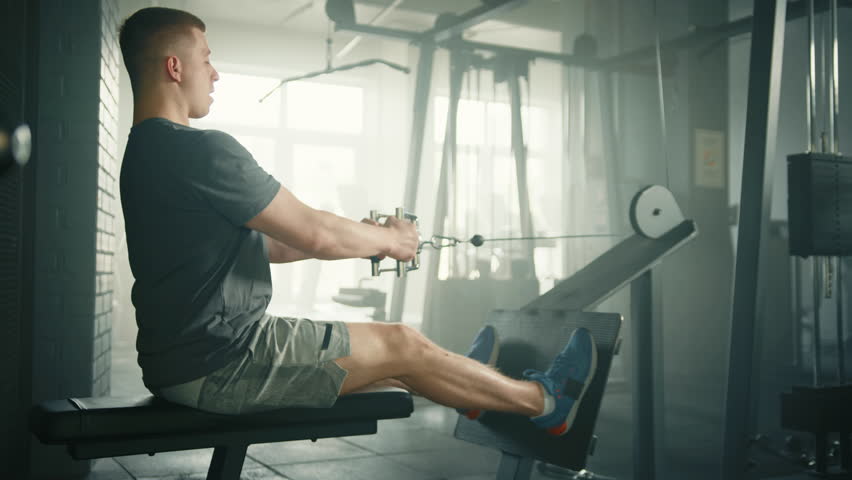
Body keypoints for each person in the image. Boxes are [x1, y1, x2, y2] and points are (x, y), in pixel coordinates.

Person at [117, 6, 597, 436]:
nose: (215, 73)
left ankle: (468, 389)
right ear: (174, 67)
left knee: (394, 366)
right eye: (205, 58)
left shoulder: (143, 155)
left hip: (176, 364)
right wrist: (391, 241)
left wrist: (371, 238)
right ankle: (547, 404)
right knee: (401, 341)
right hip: (224, 363)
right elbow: (314, 233)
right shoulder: (199, 150)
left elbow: (273, 246)